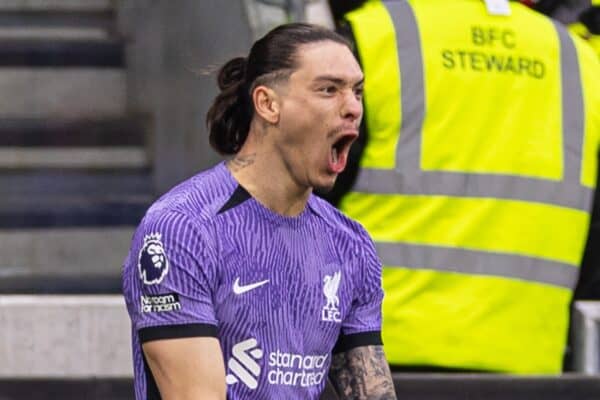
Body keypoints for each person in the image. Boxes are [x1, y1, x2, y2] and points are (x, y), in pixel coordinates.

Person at [121, 22, 397, 400]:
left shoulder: (350, 244)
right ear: (268, 104)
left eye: (357, 91)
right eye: (329, 89)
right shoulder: (181, 230)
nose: (352, 108)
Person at [325, 0, 600, 373]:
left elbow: (291, 197)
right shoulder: (581, 61)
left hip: (365, 358)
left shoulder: (373, 39)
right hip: (529, 368)